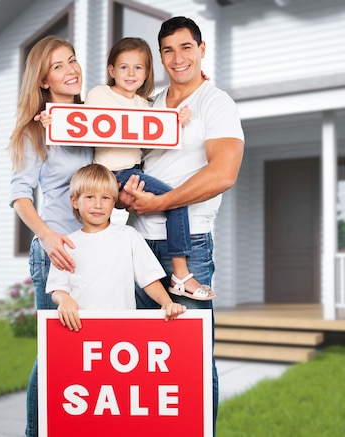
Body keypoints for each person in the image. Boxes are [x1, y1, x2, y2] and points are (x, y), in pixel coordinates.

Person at [120, 16, 245, 434]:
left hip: (187, 248)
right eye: (169, 49)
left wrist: (162, 202)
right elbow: (130, 162)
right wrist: (127, 197)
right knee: (141, 356)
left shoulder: (216, 103)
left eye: (186, 47)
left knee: (190, 357)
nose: (178, 58)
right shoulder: (149, 105)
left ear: (202, 49)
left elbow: (223, 173)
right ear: (161, 54)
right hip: (136, 242)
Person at [70, 36, 215, 301]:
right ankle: (181, 275)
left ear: (147, 72)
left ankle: (171, 275)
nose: (131, 73)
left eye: (138, 68)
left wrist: (178, 118)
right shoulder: (100, 93)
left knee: (170, 201)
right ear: (112, 70)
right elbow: (80, 120)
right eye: (124, 67)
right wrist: (53, 118)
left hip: (135, 171)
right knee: (175, 200)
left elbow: (159, 124)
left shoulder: (143, 103)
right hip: (114, 173)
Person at [8, 35, 93, 437]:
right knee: (55, 353)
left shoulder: (97, 118)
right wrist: (47, 237)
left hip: (97, 250)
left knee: (89, 353)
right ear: (44, 81)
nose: (71, 70)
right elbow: (20, 197)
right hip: (56, 251)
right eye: (58, 66)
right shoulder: (34, 131)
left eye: (72, 61)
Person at [46, 163, 186, 331]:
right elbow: (57, 288)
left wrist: (167, 303)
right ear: (75, 201)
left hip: (122, 328)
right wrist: (64, 300)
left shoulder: (128, 236)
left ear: (114, 202)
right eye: (90, 197)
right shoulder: (65, 245)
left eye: (105, 198)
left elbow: (149, 278)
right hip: (80, 328)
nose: (98, 204)